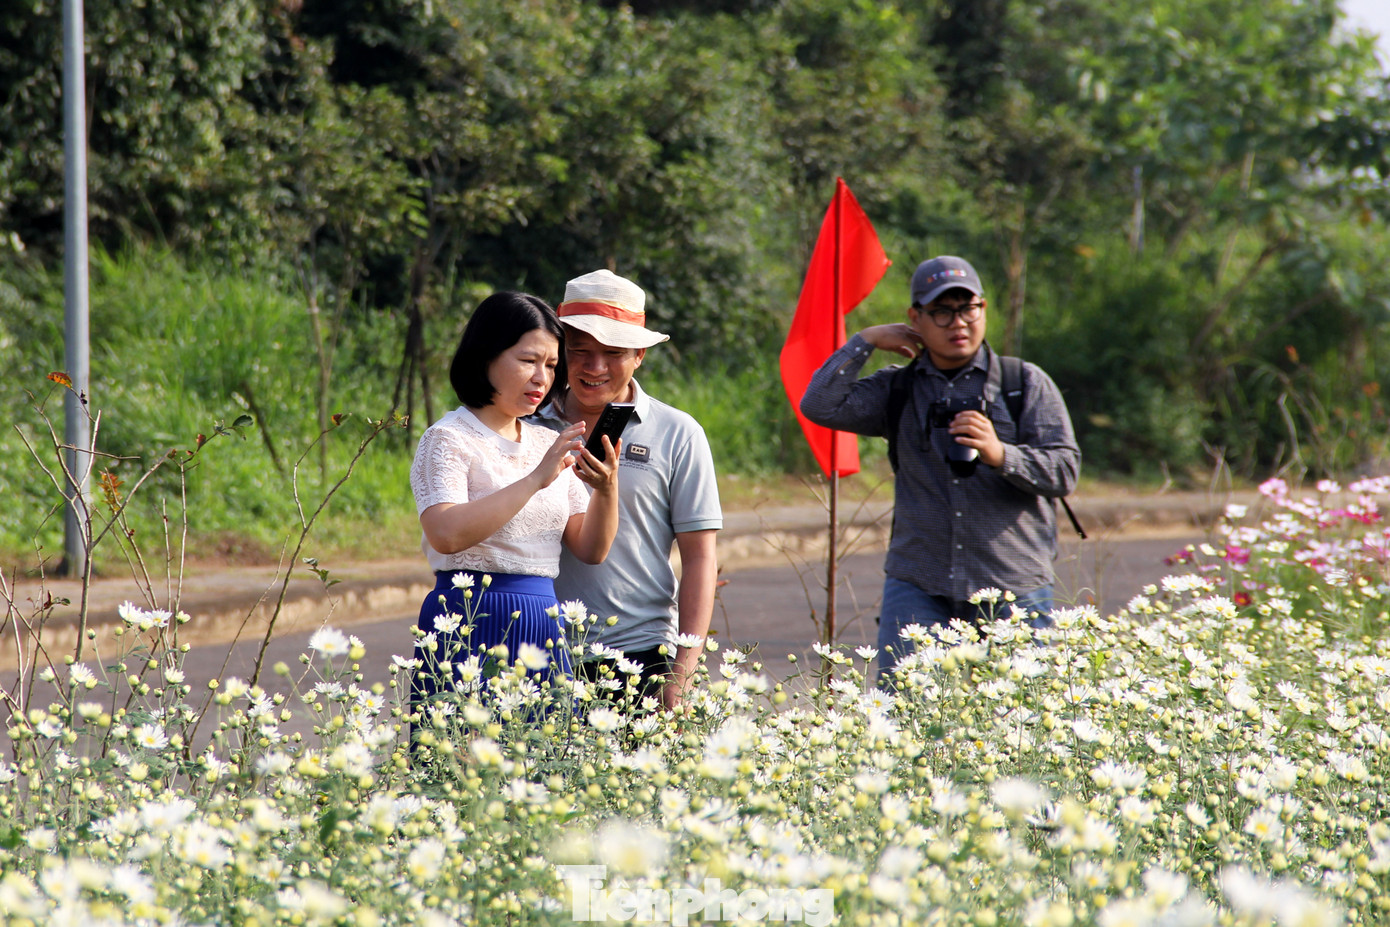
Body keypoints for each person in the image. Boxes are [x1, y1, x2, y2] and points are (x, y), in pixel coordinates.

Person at [800, 255, 1079, 683]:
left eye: (968, 309)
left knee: (1023, 727)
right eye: (941, 312)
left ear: (983, 310)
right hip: (919, 585)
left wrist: (1000, 453)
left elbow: (1064, 470)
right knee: (905, 722)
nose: (958, 323)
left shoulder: (1022, 383)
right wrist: (865, 340)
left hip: (1012, 586)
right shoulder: (899, 386)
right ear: (915, 318)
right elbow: (818, 404)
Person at [409, 291, 620, 716]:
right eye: (528, 360)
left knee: (542, 772)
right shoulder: (447, 438)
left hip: (543, 620)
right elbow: (445, 533)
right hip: (467, 617)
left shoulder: (548, 440)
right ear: (486, 356)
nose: (541, 377)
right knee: (461, 770)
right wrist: (535, 479)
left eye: (551, 365)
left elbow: (591, 549)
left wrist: (607, 488)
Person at [530, 270, 722, 710]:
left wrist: (683, 670)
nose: (595, 368)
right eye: (580, 352)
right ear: (560, 352)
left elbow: (699, 557)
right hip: (538, 650)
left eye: (613, 353)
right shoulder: (527, 425)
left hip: (641, 655)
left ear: (640, 355)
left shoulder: (679, 433)